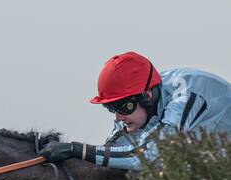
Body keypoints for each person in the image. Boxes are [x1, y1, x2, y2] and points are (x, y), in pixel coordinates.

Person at [39, 51, 231, 169]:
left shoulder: (184, 97)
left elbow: (147, 157)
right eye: (110, 108)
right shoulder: (143, 102)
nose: (118, 116)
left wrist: (77, 150)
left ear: (147, 95)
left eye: (123, 107)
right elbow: (113, 151)